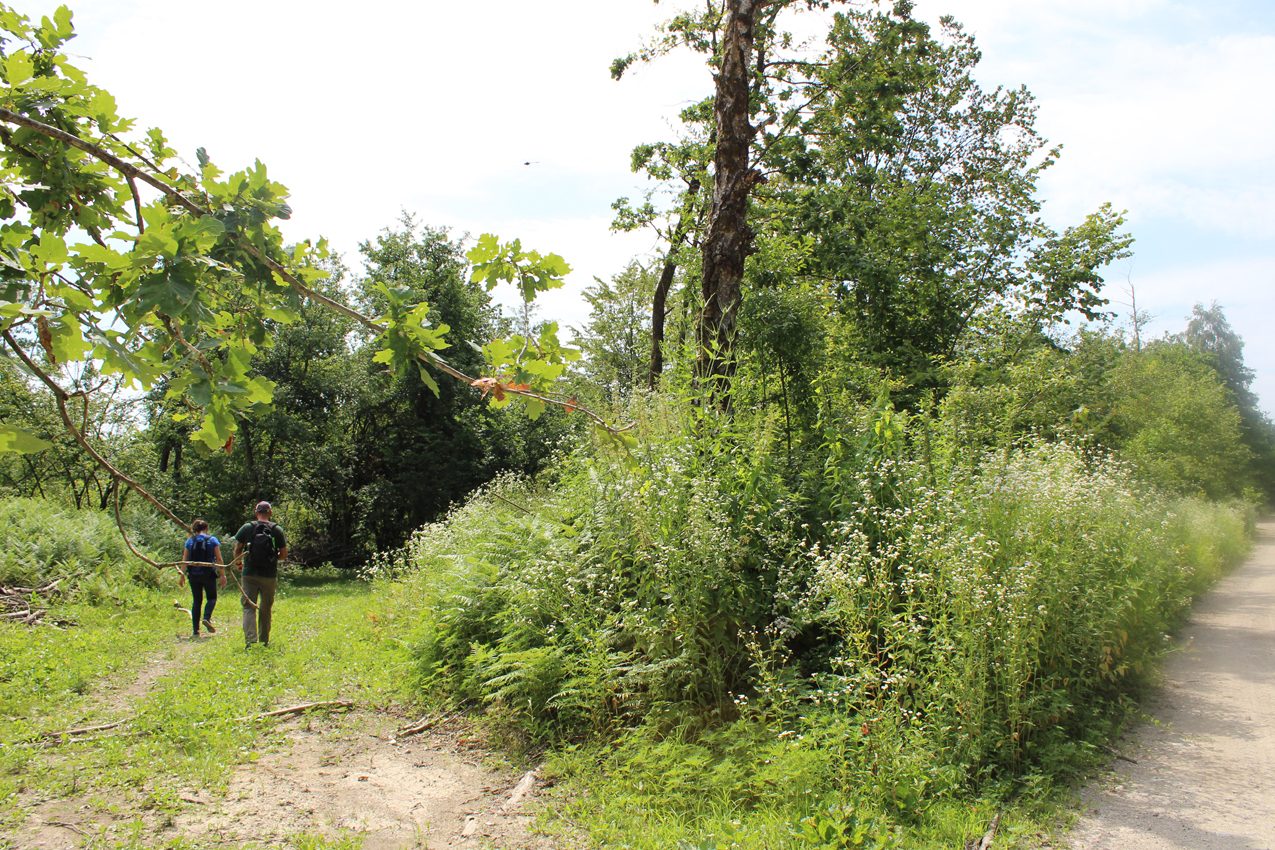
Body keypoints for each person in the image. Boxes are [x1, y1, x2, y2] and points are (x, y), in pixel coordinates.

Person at [233, 500, 287, 648]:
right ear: (270, 512)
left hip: (249, 574)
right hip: (269, 575)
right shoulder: (277, 530)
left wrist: (239, 564)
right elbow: (283, 554)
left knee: (248, 607)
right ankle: (264, 641)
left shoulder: (247, 527)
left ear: (256, 512)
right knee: (265, 608)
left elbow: (237, 549)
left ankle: (250, 641)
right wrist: (273, 558)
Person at [178, 518, 226, 639]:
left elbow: (185, 560)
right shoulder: (212, 540)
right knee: (212, 598)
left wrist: (182, 575)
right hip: (208, 574)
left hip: (193, 575)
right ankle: (206, 618)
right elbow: (219, 559)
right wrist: (222, 575)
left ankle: (195, 631)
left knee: (197, 601)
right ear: (206, 529)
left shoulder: (190, 541)